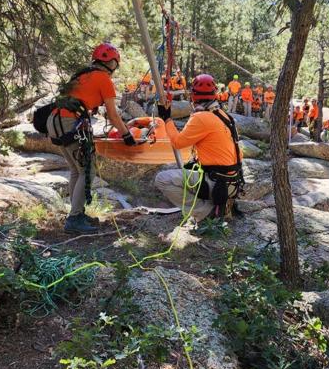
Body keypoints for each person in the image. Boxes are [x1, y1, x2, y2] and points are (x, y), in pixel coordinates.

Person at [46, 42, 136, 234]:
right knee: (87, 170)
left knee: (76, 170)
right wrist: (126, 134)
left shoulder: (83, 74)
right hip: (69, 122)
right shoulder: (103, 79)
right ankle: (74, 219)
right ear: (112, 63)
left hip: (54, 120)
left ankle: (76, 212)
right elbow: (113, 114)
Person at [155, 74, 244, 221]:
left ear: (193, 96)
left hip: (218, 184)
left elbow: (177, 143)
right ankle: (219, 204)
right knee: (189, 167)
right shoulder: (224, 115)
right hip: (232, 183)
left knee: (162, 179)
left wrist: (167, 119)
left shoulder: (201, 117)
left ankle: (204, 211)